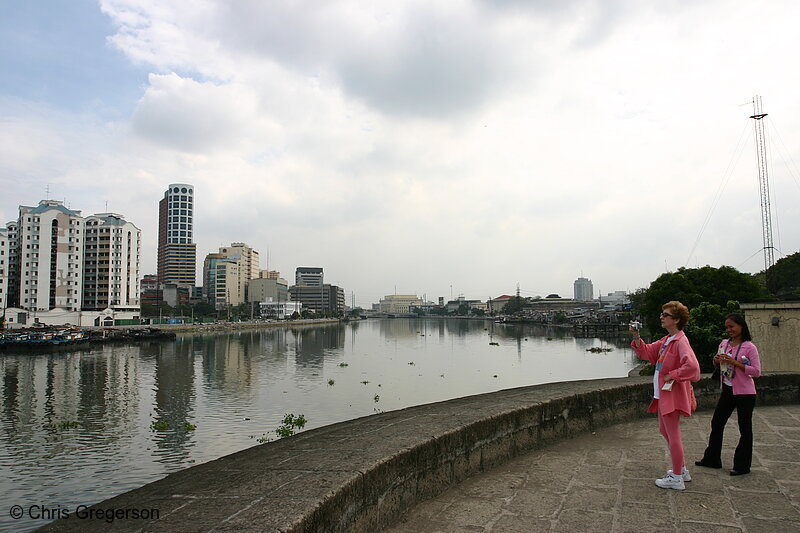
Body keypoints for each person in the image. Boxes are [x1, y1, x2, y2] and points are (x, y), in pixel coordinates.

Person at [631, 301, 701, 490]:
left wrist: (674, 374)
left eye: (666, 315)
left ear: (676, 320)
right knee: (665, 430)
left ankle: (677, 477)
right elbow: (647, 352)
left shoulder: (680, 341)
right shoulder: (668, 340)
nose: (662, 317)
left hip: (672, 393)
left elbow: (693, 368)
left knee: (673, 433)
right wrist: (636, 336)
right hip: (663, 393)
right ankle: (681, 470)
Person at [695, 313, 761, 476]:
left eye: (732, 326)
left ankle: (742, 465)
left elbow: (757, 371)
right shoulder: (724, 343)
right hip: (727, 388)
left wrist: (735, 363)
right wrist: (716, 360)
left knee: (745, 428)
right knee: (717, 422)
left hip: (745, 392)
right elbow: (717, 363)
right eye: (727, 327)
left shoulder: (749, 347)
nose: (729, 330)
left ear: (741, 326)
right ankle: (712, 458)